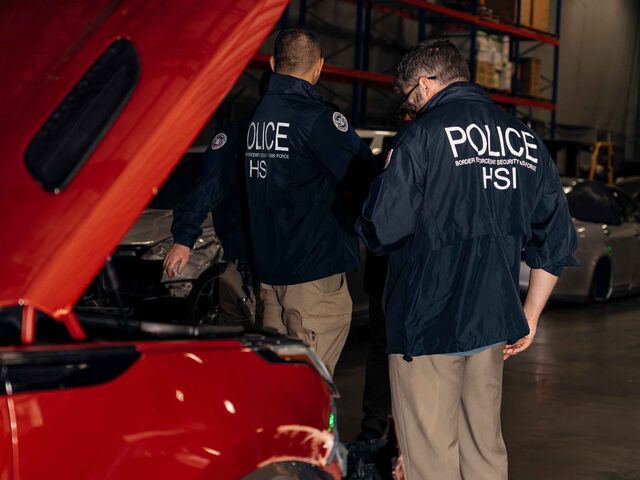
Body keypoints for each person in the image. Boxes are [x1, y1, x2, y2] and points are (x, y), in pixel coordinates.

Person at [357, 39, 578, 479]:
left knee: (431, 455)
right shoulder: (524, 139)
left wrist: (384, 178)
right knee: (483, 449)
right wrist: (529, 315)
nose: (410, 106)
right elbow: (555, 234)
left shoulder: (418, 138)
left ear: (422, 84)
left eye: (408, 97)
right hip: (492, 323)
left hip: (427, 324)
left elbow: (381, 230)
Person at [245, 27, 372, 375]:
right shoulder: (318, 119)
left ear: (273, 63)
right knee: (311, 385)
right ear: (319, 68)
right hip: (314, 277)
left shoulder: (258, 119)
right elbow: (365, 177)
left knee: (277, 384)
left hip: (271, 274)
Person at [163, 123, 256, 326]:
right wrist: (183, 239)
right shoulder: (238, 135)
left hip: (266, 265)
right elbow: (206, 189)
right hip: (243, 261)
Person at [359, 105, 414, 442]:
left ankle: (375, 426)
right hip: (400, 275)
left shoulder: (386, 157)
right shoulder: (412, 152)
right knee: (399, 352)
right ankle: (393, 430)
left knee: (383, 350)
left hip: (386, 272)